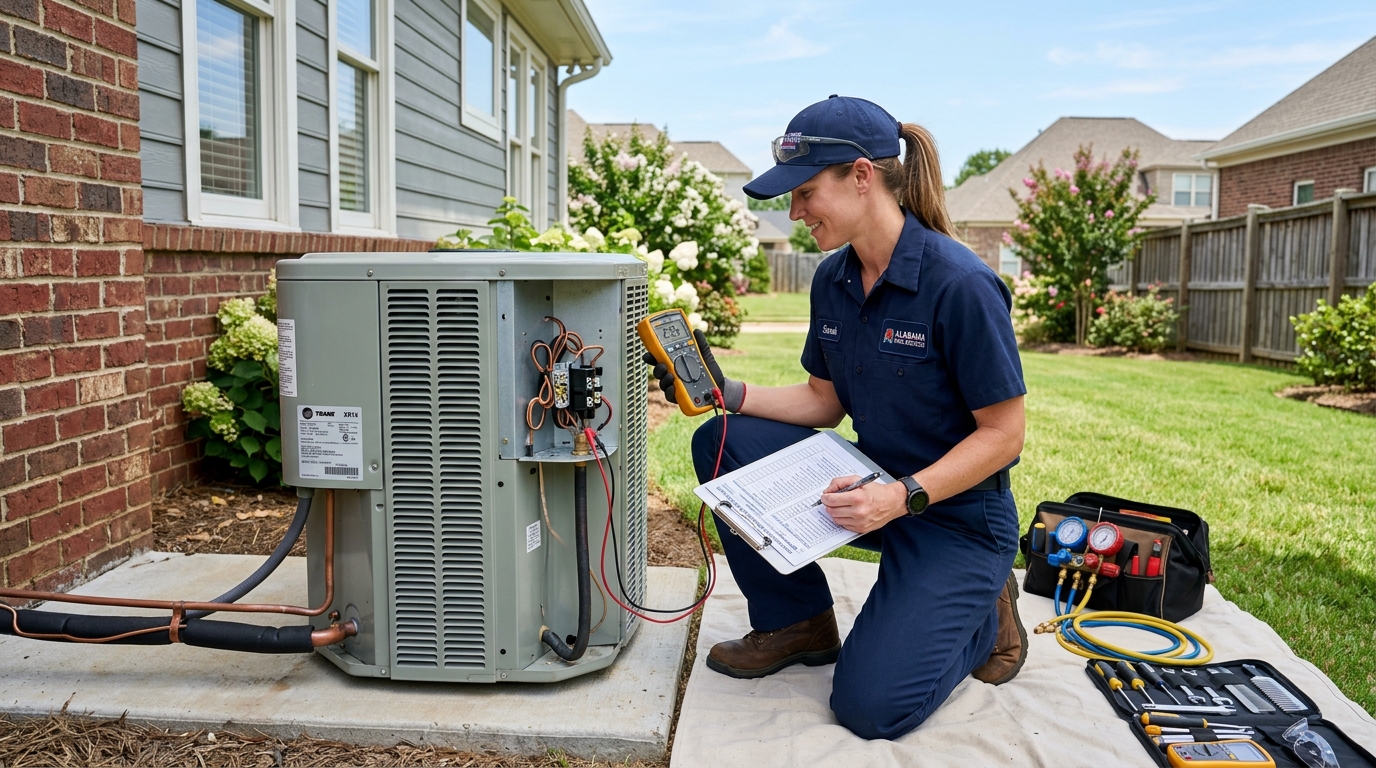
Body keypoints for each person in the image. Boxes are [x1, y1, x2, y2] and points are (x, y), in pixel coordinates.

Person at [646, 96, 1028, 740]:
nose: (794, 212)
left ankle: (986, 615)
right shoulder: (834, 279)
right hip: (865, 487)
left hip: (955, 519)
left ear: (860, 175)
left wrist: (902, 497)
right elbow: (825, 401)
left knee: (869, 709)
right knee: (722, 440)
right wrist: (727, 391)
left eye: (804, 191)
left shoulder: (960, 283)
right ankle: (798, 622)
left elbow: (1005, 433)